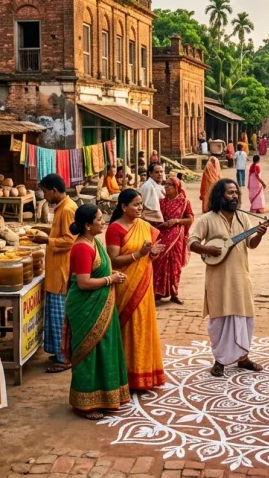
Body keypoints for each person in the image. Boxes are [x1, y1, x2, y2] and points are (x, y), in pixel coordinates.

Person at [189, 180, 269, 376]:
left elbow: (251, 244)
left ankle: (243, 358)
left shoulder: (243, 218)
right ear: (220, 195)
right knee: (219, 320)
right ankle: (220, 360)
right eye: (229, 193)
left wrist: (259, 234)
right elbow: (192, 242)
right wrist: (206, 248)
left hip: (241, 277)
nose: (234, 196)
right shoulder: (208, 219)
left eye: (236, 193)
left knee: (244, 318)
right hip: (217, 279)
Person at [63, 204, 130, 419]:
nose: (103, 221)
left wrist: (112, 276)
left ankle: (105, 397)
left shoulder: (94, 242)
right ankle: (84, 403)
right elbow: (83, 282)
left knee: (104, 349)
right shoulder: (82, 247)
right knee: (90, 353)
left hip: (101, 304)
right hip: (86, 307)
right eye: (99, 219)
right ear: (87, 225)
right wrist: (111, 279)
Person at [105, 189, 166, 390]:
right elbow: (113, 259)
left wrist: (152, 254)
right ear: (124, 207)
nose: (140, 208)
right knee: (128, 327)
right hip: (125, 284)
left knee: (143, 325)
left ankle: (145, 373)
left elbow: (149, 255)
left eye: (141, 204)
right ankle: (126, 376)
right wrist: (139, 254)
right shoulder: (115, 229)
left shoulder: (144, 226)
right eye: (135, 204)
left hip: (143, 283)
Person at [34, 174, 78, 373]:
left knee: (61, 317)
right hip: (55, 268)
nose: (44, 195)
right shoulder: (62, 208)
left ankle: (65, 357)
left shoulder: (68, 209)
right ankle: (58, 351)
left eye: (44, 191)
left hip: (62, 269)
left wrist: (47, 241)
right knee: (54, 314)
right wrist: (44, 231)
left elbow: (70, 240)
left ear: (53, 190)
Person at [154, 176, 194, 304]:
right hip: (163, 234)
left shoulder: (184, 202)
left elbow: (190, 218)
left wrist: (176, 221)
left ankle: (174, 293)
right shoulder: (161, 202)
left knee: (175, 265)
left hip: (176, 237)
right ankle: (158, 292)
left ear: (176, 187)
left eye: (170, 185)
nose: (166, 186)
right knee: (160, 261)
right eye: (165, 184)